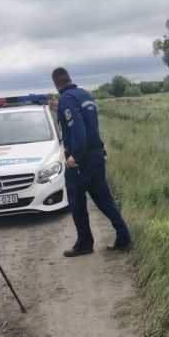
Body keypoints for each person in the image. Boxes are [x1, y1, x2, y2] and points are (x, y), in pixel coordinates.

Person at [51, 67, 132, 257]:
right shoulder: (85, 95)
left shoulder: (66, 100)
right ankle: (124, 237)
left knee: (77, 202)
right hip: (96, 155)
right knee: (104, 199)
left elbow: (78, 129)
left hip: (81, 160)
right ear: (69, 79)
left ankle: (85, 244)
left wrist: (74, 156)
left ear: (55, 83)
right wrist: (59, 108)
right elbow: (86, 121)